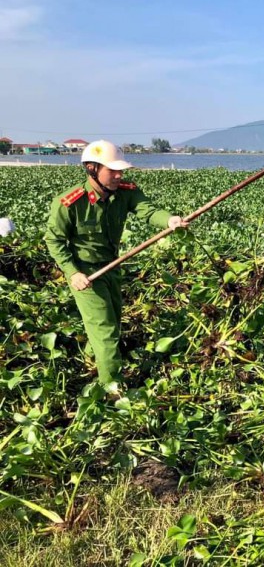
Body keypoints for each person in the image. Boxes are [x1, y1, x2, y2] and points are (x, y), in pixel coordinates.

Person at [44, 140, 188, 391]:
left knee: (112, 319)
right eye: (112, 171)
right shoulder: (70, 202)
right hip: (86, 273)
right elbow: (54, 240)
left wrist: (170, 220)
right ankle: (112, 388)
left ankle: (93, 357)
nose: (119, 175)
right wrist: (72, 272)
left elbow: (148, 210)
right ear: (91, 169)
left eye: (121, 170)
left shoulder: (125, 191)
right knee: (106, 331)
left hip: (112, 267)